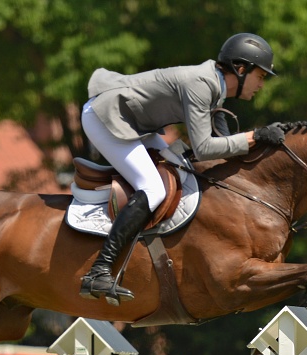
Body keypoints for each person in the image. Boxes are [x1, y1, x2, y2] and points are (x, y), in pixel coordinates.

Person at [78, 33, 285, 303]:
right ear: (241, 69)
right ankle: (99, 271)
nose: (262, 85)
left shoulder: (214, 86)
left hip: (135, 123)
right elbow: (205, 148)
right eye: (261, 76)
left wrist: (261, 146)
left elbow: (221, 148)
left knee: (183, 169)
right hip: (105, 118)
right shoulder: (201, 84)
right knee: (153, 188)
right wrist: (255, 137)